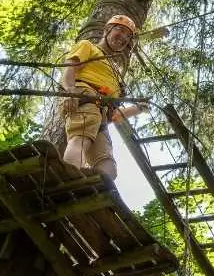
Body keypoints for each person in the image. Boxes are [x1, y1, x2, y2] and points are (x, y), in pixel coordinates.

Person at [60, 15, 148, 179]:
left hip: (101, 114)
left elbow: (113, 116)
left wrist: (138, 108)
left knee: (107, 165)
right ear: (107, 30)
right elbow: (70, 68)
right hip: (84, 96)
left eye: (128, 36)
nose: (123, 38)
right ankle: (66, 181)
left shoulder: (115, 74)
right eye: (120, 30)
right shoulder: (88, 47)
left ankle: (94, 194)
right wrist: (70, 92)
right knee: (80, 138)